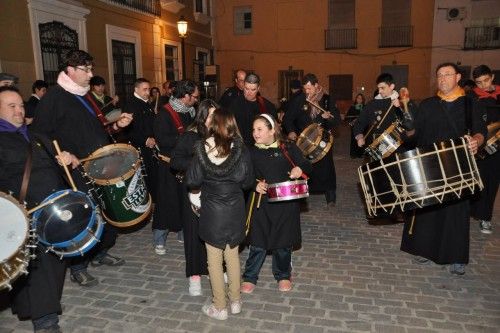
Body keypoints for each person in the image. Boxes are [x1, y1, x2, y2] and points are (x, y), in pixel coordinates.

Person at [31, 50, 132, 287]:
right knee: (82, 216)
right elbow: (38, 133)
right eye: (86, 70)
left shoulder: (82, 95)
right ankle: (78, 266)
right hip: (72, 169)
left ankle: (99, 252)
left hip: (97, 165)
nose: (91, 74)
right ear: (70, 70)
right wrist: (60, 154)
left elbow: (95, 129)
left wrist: (117, 125)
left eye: (90, 69)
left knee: (104, 212)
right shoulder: (54, 96)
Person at [0, 86, 78, 332]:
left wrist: (68, 158)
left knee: (56, 261)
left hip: (52, 208)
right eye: (11, 106)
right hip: (23, 212)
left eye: (21, 105)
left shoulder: (37, 136)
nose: (19, 110)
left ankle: (40, 305)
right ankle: (44, 319)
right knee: (37, 265)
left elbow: (60, 161)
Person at [400, 62, 486, 276]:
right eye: (439, 75)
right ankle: (425, 249)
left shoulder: (470, 103)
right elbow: (413, 134)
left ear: (458, 77)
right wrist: (406, 117)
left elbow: (480, 131)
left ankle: (456, 257)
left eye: (447, 74)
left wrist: (476, 140)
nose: (442, 79)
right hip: (430, 163)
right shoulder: (428, 104)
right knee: (429, 209)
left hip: (458, 165)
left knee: (456, 212)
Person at [186, 108, 254, 320]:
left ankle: (219, 307)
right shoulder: (240, 149)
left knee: (214, 260)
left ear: (213, 125)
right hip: (234, 209)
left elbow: (193, 180)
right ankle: (235, 302)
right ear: (232, 124)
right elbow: (247, 181)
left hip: (212, 211)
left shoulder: (203, 148)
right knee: (232, 256)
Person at [241, 114, 312, 294]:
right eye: (253, 129)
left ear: (272, 130)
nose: (255, 133)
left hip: (285, 202)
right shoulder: (250, 151)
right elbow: (243, 175)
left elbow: (306, 163)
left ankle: (283, 275)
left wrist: (299, 169)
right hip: (260, 202)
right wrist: (254, 184)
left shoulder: (286, 147)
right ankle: (250, 276)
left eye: (260, 129)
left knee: (283, 240)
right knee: (258, 241)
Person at [169, 99, 217, 295]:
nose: (215, 119)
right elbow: (175, 161)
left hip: (215, 190)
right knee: (193, 232)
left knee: (214, 230)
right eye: (212, 115)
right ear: (203, 116)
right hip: (194, 190)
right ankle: (194, 275)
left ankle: (214, 269)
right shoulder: (190, 136)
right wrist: (201, 160)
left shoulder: (220, 135)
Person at [152, 79, 198, 254]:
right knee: (166, 203)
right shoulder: (164, 113)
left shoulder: (190, 112)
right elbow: (162, 139)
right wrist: (186, 141)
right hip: (168, 164)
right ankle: (159, 239)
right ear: (185, 96)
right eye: (194, 96)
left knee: (185, 201)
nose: (196, 99)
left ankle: (183, 232)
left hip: (186, 164)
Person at [282, 73, 340, 205]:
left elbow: (336, 120)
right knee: (304, 165)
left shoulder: (327, 99)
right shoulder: (299, 99)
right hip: (304, 140)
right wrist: (291, 131)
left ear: (316, 85)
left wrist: (328, 118)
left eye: (309, 88)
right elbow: (288, 118)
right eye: (305, 89)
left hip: (323, 139)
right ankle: (303, 193)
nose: (307, 92)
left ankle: (330, 194)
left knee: (327, 167)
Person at [470, 64, 499, 234]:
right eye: (479, 82)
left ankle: (485, 218)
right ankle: (471, 211)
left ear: (492, 77)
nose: (483, 85)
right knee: (476, 180)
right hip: (479, 146)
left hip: (498, 148)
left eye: (486, 80)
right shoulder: (473, 97)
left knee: (492, 182)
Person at [353, 73, 416, 152]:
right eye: (378, 88)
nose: (379, 91)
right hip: (377, 149)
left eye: (382, 88)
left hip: (399, 149)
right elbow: (360, 122)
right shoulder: (372, 104)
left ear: (392, 86)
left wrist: (401, 107)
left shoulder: (403, 101)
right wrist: (359, 136)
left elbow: (413, 123)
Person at [124, 78, 158, 202]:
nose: (148, 92)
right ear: (136, 89)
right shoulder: (130, 104)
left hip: (151, 146)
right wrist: (145, 140)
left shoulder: (146, 103)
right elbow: (129, 130)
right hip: (139, 147)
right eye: (144, 89)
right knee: (145, 178)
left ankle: (155, 201)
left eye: (148, 89)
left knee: (153, 176)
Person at [228, 73, 278, 146]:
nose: (249, 93)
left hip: (262, 148)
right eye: (247, 89)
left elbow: (274, 129)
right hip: (242, 147)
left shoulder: (267, 105)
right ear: (243, 87)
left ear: (258, 88)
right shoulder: (234, 105)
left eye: (253, 90)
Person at [346, 93, 366, 158]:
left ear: (363, 100)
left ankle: (360, 154)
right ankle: (353, 154)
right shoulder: (352, 107)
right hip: (354, 126)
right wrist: (353, 120)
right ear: (356, 99)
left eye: (361, 98)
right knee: (354, 140)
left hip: (363, 126)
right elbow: (347, 117)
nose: (359, 99)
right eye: (358, 98)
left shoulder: (365, 107)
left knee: (361, 138)